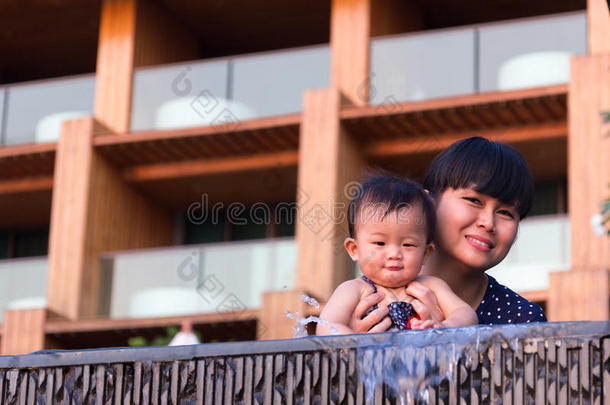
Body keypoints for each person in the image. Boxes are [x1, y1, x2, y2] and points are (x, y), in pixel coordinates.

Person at [347, 137, 547, 333]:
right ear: (428, 203)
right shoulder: (361, 301)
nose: (488, 223)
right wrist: (346, 345)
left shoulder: (522, 320)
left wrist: (447, 334)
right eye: (474, 201)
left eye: (506, 213)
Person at [316, 175, 478, 335]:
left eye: (408, 244)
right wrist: (355, 342)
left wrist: (445, 326)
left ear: (425, 253)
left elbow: (466, 313)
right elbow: (326, 327)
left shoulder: (431, 286)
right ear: (354, 249)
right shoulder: (353, 290)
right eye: (380, 243)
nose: (394, 254)